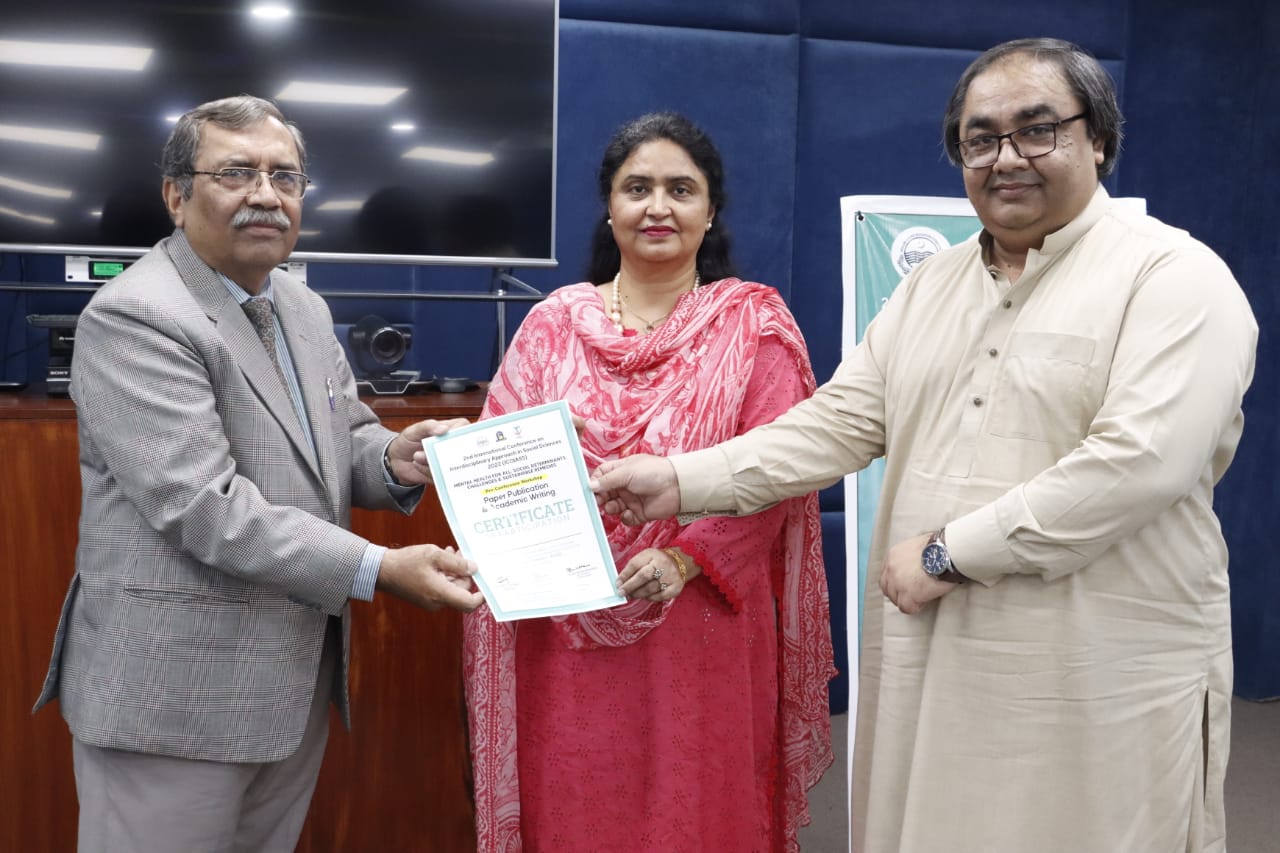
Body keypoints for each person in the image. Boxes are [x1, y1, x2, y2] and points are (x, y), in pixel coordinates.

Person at [592, 39, 1258, 853]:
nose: (1005, 157)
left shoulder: (1175, 277)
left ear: (1099, 140)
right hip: (937, 668)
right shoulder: (931, 286)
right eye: (980, 139)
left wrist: (949, 554)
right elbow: (837, 421)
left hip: (1097, 681)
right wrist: (679, 479)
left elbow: (1139, 465)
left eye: (1037, 129)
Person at [33, 95, 484, 853]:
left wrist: (397, 457)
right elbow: (205, 507)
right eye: (237, 173)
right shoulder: (137, 314)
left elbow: (342, 438)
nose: (267, 195)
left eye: (286, 176)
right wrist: (378, 568)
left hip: (286, 686)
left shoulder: (301, 306)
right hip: (173, 700)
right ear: (177, 196)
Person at [464, 112, 836, 852]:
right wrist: (469, 459)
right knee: (573, 807)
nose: (657, 207)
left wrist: (683, 558)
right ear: (610, 206)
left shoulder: (753, 327)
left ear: (710, 210)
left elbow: (778, 472)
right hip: (562, 627)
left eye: (680, 189)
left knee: (691, 814)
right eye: (637, 188)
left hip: (698, 623)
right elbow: (499, 459)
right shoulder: (552, 326)